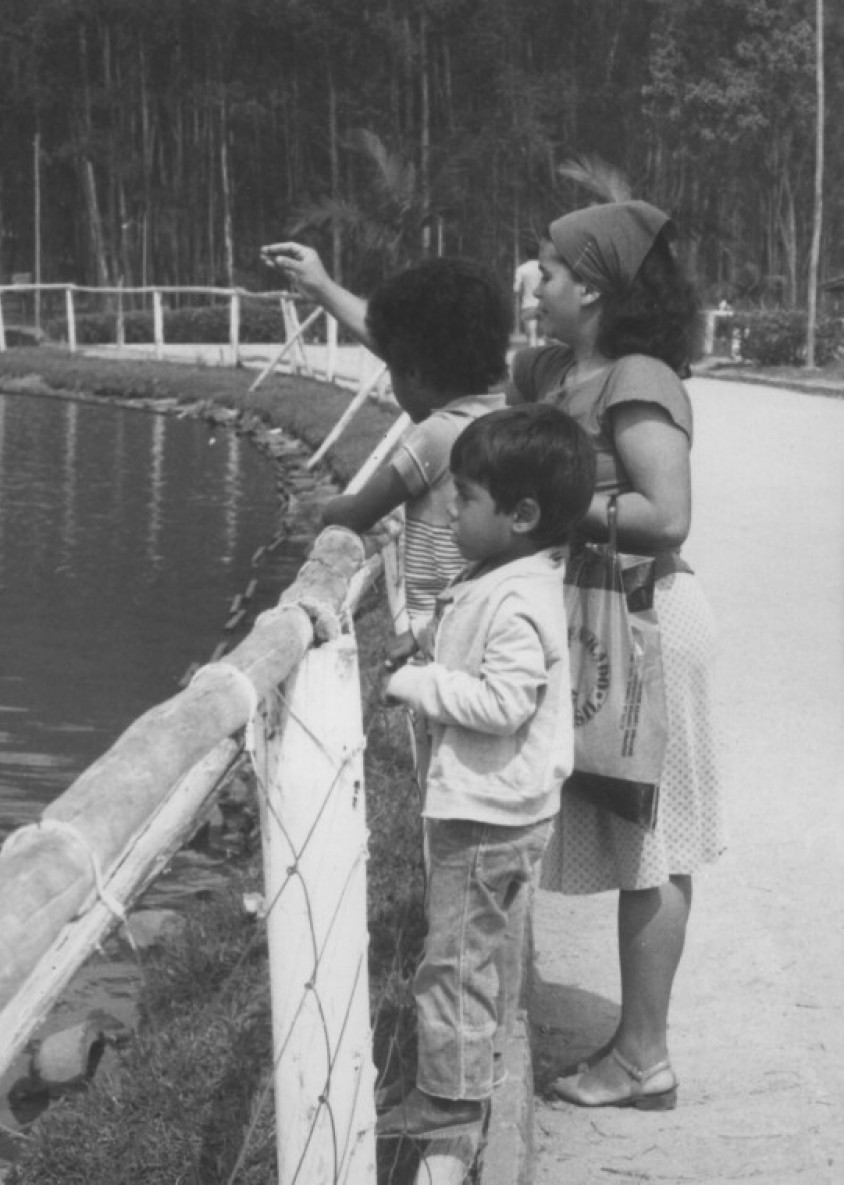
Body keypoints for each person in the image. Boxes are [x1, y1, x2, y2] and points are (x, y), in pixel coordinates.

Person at [513, 199, 722, 1112]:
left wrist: (552, 507)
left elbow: (666, 515)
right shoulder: (563, 370)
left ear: (592, 286)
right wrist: (324, 289)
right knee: (638, 835)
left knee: (653, 839)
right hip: (607, 626)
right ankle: (638, 1045)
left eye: (551, 269)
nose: (538, 282)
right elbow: (432, 358)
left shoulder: (637, 376)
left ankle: (643, 1057)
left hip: (646, 626)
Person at [369, 404, 595, 1138]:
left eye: (465, 497)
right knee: (475, 946)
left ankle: (450, 1099)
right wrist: (425, 641)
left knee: (453, 958)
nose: (449, 507)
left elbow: (502, 701)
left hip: (487, 813)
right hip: (499, 804)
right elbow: (466, 637)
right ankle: (470, 1064)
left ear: (521, 513)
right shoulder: (505, 572)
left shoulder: (519, 597)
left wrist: (414, 683)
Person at [260, 247, 509, 647]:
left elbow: (358, 512)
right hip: (485, 626)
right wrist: (322, 287)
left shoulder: (437, 436)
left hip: (438, 638)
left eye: (391, 365)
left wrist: (327, 509)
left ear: (413, 372)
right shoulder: (509, 414)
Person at [514, 257, 544, 346]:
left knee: (531, 336)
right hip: (543, 304)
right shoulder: (543, 268)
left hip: (528, 305)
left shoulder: (521, 269)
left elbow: (516, 289)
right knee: (541, 337)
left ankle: (534, 358)